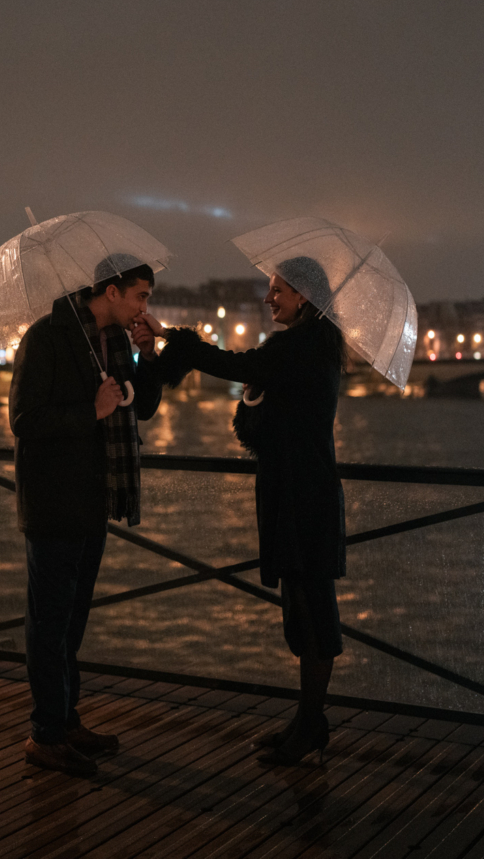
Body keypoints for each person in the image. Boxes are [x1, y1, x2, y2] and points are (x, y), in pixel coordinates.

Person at [148, 256, 346, 765]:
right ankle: (306, 722)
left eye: (277, 290)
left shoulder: (299, 349)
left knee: (311, 612)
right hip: (300, 491)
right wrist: (171, 336)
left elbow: (237, 367)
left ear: (303, 296)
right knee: (303, 609)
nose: (268, 298)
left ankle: (310, 727)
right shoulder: (308, 347)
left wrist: (177, 341)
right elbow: (251, 373)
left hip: (302, 496)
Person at [9, 254, 165, 777]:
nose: (145, 306)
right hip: (54, 500)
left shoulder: (117, 341)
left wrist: (149, 355)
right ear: (113, 291)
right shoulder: (47, 337)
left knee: (72, 622)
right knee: (48, 623)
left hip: (94, 498)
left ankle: (66, 720)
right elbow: (25, 420)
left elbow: (141, 409)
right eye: (140, 295)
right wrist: (91, 412)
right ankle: (44, 735)